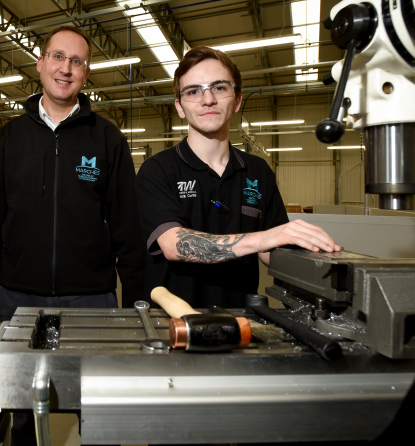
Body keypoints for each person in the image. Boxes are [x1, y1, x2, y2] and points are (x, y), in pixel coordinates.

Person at [0, 25, 145, 446]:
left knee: (101, 414)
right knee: (24, 416)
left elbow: (127, 228)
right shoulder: (9, 137)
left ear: (87, 73)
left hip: (92, 303)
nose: (66, 69)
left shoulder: (107, 138)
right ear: (40, 63)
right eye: (58, 57)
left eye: (77, 61)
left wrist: (138, 309)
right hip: (19, 300)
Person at [135, 46, 340, 313]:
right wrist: (261, 239)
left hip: (242, 320)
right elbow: (176, 245)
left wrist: (316, 258)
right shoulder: (157, 169)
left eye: (219, 88)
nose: (207, 99)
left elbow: (270, 250)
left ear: (238, 100)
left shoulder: (258, 171)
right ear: (180, 107)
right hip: (172, 322)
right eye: (193, 91)